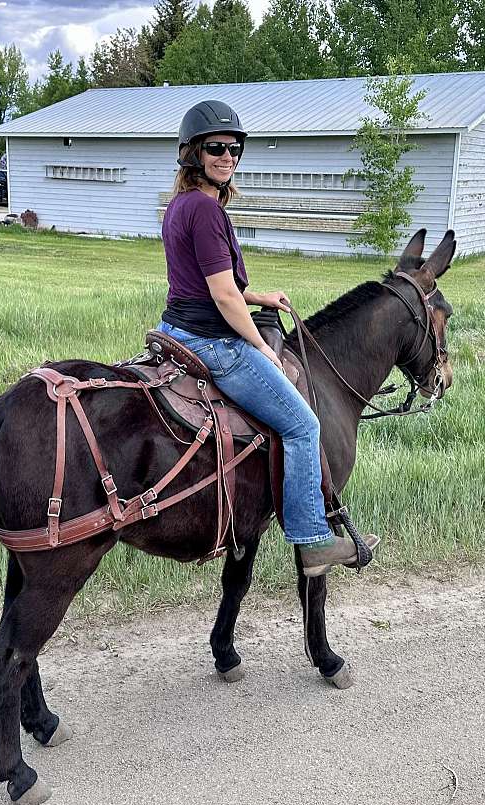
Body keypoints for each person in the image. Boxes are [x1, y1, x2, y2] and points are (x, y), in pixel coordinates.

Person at [157, 100, 379, 577]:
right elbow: (221, 296)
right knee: (303, 425)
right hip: (213, 343)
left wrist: (257, 294)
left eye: (234, 148)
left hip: (175, 328)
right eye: (215, 147)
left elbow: (202, 282)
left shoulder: (181, 205)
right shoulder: (206, 210)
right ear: (192, 153)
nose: (227, 156)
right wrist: (260, 348)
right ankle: (314, 539)